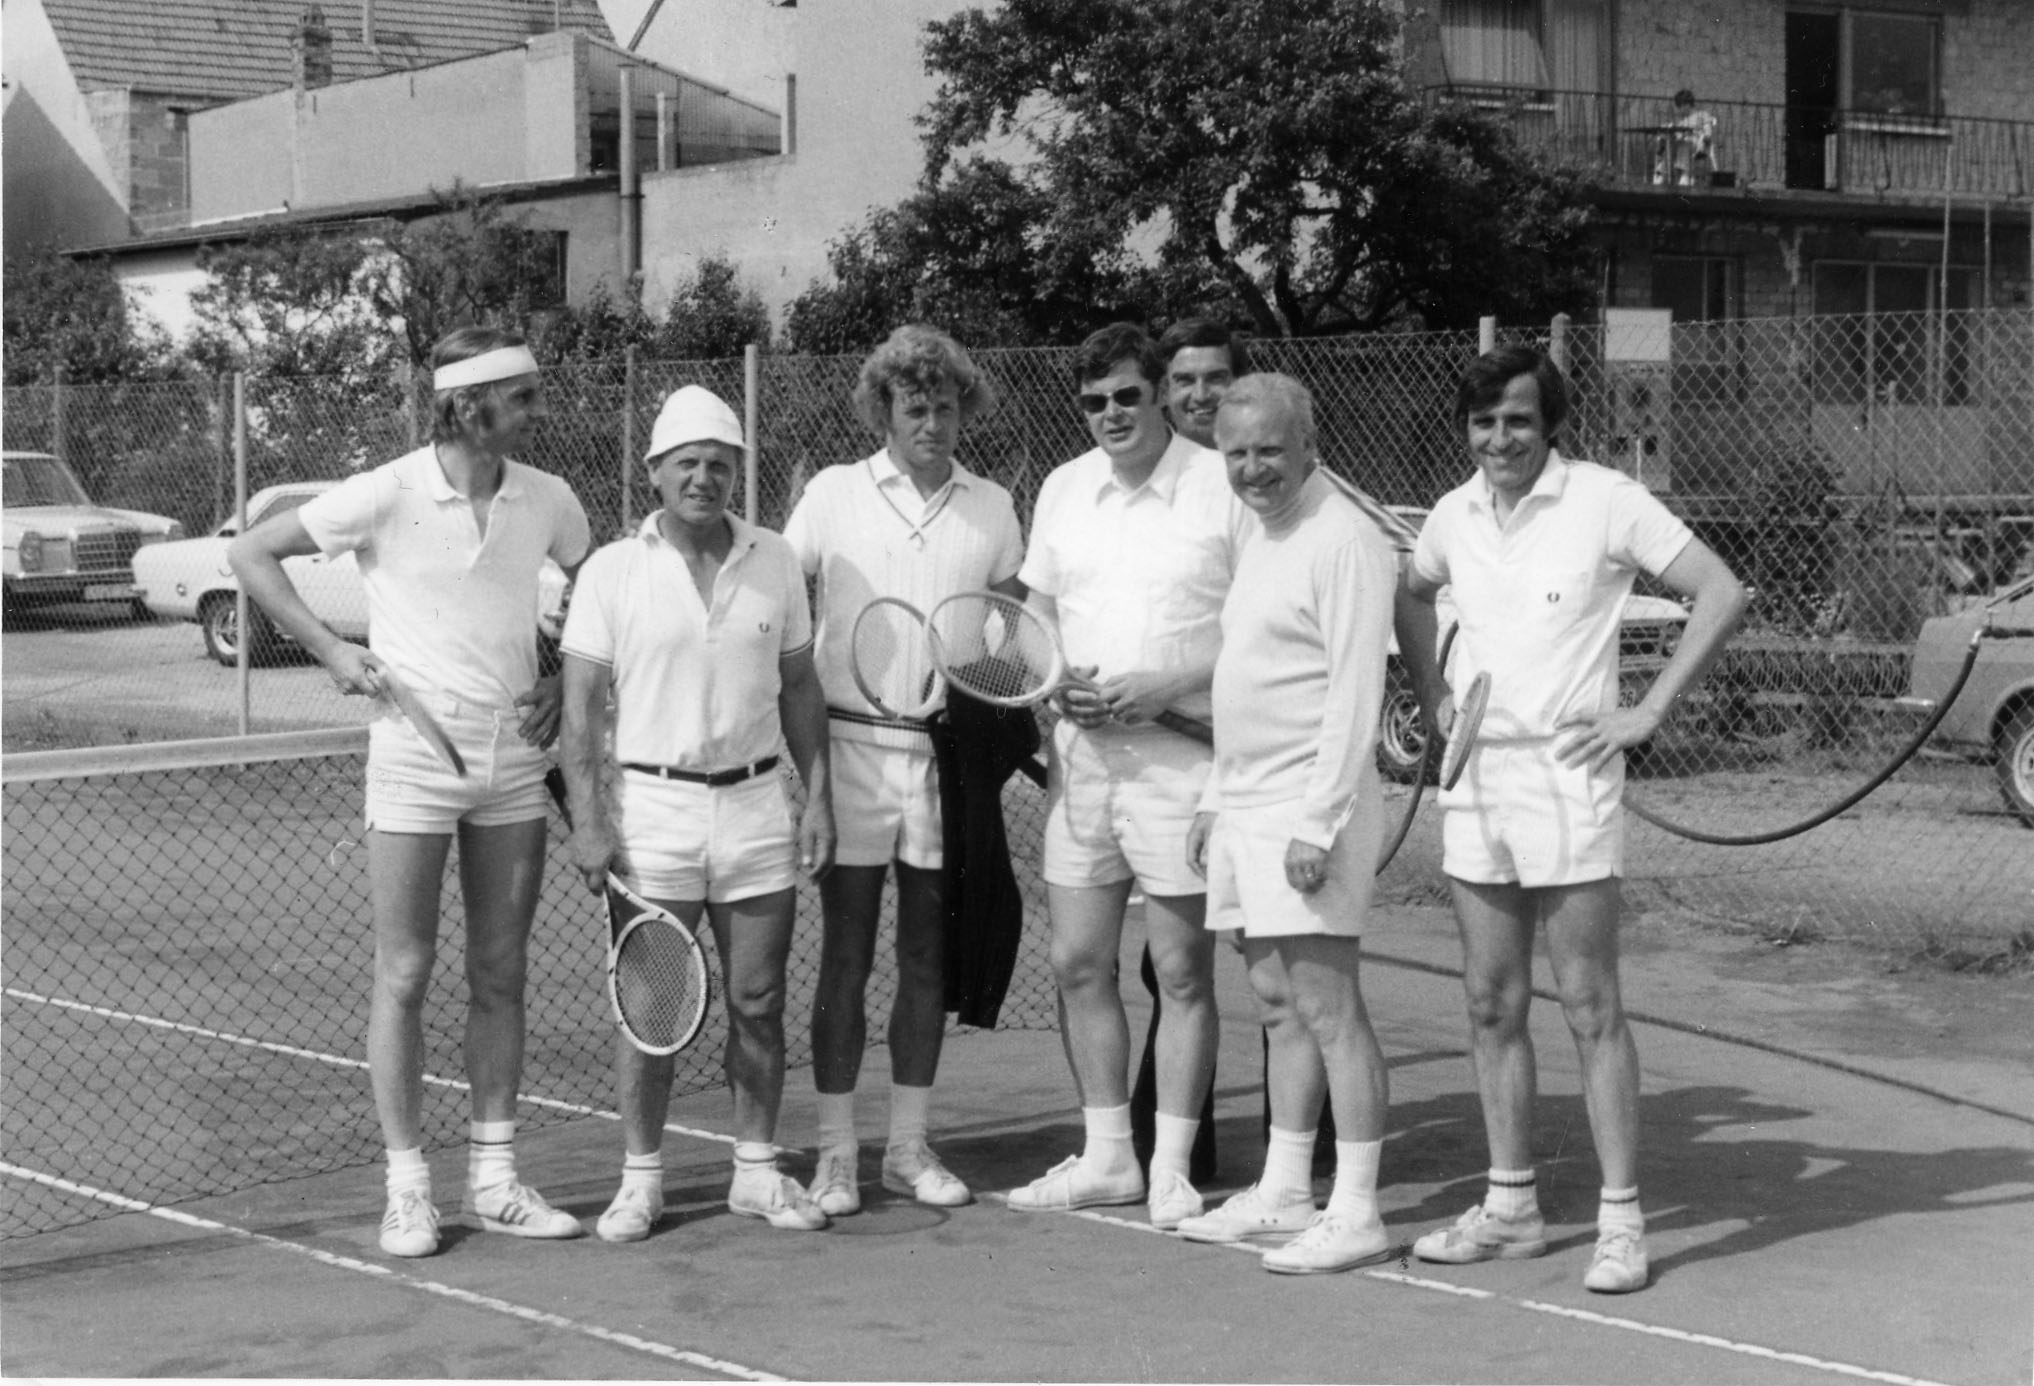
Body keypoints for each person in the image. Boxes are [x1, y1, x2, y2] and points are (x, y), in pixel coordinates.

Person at [228, 326, 593, 1258]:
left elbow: (601, 587)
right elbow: (253, 553)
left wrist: (566, 677)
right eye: (521, 396)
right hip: (411, 761)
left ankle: (496, 1182)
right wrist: (330, 647)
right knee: (405, 973)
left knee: (501, 974)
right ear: (468, 406)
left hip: (514, 758)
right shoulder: (385, 491)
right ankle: (407, 1191)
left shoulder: (548, 498)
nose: (537, 410)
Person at [1405, 346, 1746, 1293]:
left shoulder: (1605, 499)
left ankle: (1622, 1222)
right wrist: (1433, 692)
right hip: (1478, 780)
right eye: (1483, 422)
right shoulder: (1451, 515)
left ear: (1550, 423)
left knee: (1591, 1005)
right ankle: (1511, 1208)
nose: (1500, 439)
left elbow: (1722, 591)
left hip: (1570, 779)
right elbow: (1411, 592)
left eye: (1518, 419)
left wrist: (1649, 710)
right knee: (1490, 1003)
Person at [556, 384, 836, 1242]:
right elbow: (580, 710)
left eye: (719, 464)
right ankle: (641, 1181)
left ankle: (755, 1172)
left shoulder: (775, 558)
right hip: (652, 815)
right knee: (653, 1011)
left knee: (758, 999)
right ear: (655, 472)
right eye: (687, 463)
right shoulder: (612, 569)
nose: (703, 478)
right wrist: (590, 821)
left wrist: (818, 798)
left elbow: (799, 686)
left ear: (737, 472)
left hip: (755, 809)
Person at [1006, 322, 1245, 1230]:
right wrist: (1051, 676)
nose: (1111, 413)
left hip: (1186, 767)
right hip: (1084, 767)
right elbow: (1033, 617)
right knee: (1077, 962)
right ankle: (1110, 1159)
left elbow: (1258, 628)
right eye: (1094, 402)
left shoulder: (1222, 484)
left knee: (1181, 972)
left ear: (1161, 395)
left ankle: (1172, 1168)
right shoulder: (1064, 489)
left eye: (1127, 396)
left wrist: (1166, 685)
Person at [783, 325, 1026, 1217]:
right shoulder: (832, 494)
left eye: (947, 406)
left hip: (940, 761)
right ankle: (837, 1153)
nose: (932, 422)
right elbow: (779, 592)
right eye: (914, 406)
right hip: (847, 750)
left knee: (927, 956)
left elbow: (1013, 633)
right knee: (845, 955)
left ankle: (907, 1148)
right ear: (882, 410)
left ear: (966, 410)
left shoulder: (993, 507)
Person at [1178, 372, 1399, 1274]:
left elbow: (1354, 693)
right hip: (1248, 805)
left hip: (1310, 810)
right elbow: (1246, 676)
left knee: (1330, 1009)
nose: (1253, 469)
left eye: (1270, 449)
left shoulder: (1344, 539)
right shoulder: (1263, 535)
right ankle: (1284, 1190)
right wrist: (1215, 799)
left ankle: (1359, 1211)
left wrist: (1318, 821)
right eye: (1235, 453)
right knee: (1278, 1005)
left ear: (1309, 444)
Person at [1653, 88, 1717, 187]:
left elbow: (1708, 134)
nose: (1678, 110)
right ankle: (1661, 174)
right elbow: (1678, 135)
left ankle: (1686, 175)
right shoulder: (1682, 121)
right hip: (1684, 145)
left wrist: (1700, 137)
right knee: (1669, 146)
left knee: (1684, 145)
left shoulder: (1702, 115)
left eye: (1680, 106)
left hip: (1699, 145)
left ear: (1687, 104)